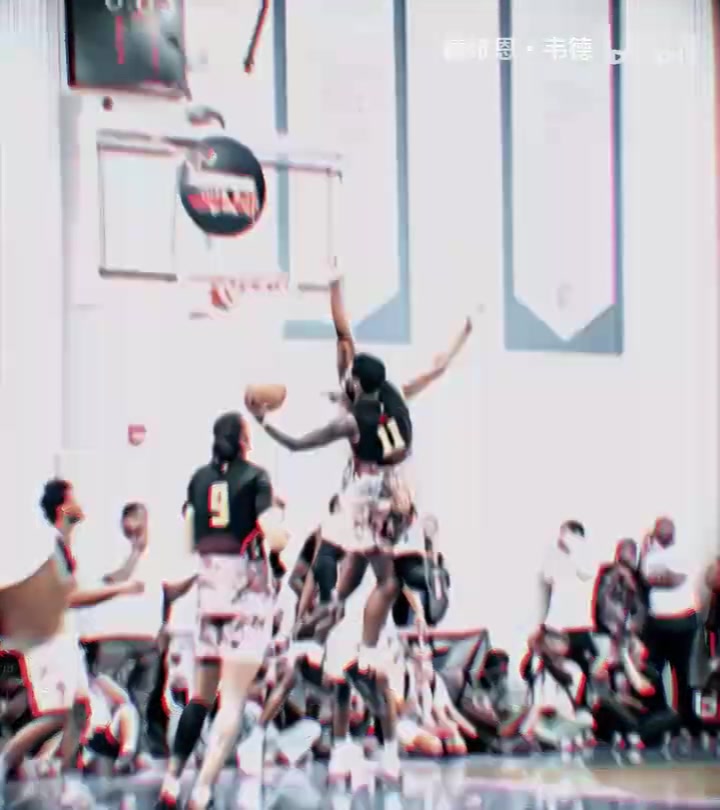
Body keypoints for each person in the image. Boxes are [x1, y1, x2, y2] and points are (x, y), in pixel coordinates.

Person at [157, 411, 288, 810]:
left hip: (209, 591)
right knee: (231, 702)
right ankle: (202, 790)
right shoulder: (256, 477)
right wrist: (279, 519)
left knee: (200, 697)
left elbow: (188, 536)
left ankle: (171, 780)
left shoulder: (198, 479)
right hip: (245, 594)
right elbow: (276, 538)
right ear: (246, 440)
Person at [640, 517, 700, 735]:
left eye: (665, 532)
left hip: (682, 621)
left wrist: (659, 578)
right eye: (658, 532)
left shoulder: (683, 552)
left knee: (682, 672)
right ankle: (662, 717)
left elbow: (676, 580)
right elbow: (646, 579)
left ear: (672, 533)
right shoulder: (650, 554)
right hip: (657, 622)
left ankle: (686, 719)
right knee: (652, 671)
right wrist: (659, 573)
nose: (661, 536)